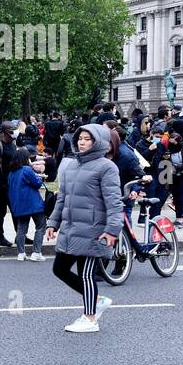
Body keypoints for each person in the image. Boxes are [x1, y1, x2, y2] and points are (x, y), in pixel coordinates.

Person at [45, 124, 123, 333]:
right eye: (80, 138)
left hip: (94, 229)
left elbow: (114, 202)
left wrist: (112, 230)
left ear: (99, 142)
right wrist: (53, 223)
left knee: (86, 274)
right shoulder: (70, 166)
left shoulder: (107, 167)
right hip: (71, 228)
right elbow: (62, 198)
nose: (82, 142)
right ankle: (97, 299)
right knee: (59, 269)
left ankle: (90, 318)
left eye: (88, 138)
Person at [8, 147, 46, 262]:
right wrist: (40, 177)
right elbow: (37, 183)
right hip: (33, 204)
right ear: (25, 158)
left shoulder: (11, 173)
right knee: (40, 226)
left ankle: (21, 253)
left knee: (21, 229)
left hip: (19, 205)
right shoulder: (26, 169)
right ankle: (36, 252)